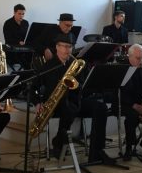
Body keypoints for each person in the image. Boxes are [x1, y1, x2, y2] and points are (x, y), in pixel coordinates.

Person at [35, 34, 112, 163]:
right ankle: (60, 141)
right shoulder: (48, 66)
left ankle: (97, 151)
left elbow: (82, 86)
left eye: (69, 47)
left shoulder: (75, 64)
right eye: (64, 46)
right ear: (57, 47)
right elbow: (33, 87)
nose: (67, 50)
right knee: (68, 106)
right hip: (56, 104)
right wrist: (37, 102)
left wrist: (77, 86)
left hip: (75, 101)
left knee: (101, 108)